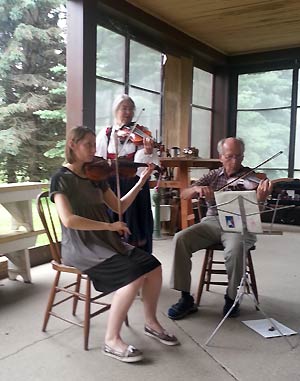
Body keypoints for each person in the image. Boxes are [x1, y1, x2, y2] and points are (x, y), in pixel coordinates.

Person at [50, 126, 178, 363]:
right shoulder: (61, 179)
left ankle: (151, 322)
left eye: (92, 144)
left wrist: (141, 182)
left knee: (152, 265)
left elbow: (118, 207)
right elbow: (69, 220)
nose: (93, 149)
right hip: (80, 246)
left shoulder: (95, 176)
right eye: (87, 144)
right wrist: (110, 227)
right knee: (133, 275)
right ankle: (111, 340)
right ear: (72, 145)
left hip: (105, 242)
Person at [168, 137, 272, 320]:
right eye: (230, 157)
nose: (235, 162)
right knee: (180, 238)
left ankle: (232, 298)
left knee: (236, 249)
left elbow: (258, 212)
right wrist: (197, 190)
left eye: (239, 157)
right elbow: (184, 194)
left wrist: (261, 198)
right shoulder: (213, 175)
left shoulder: (251, 177)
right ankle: (185, 298)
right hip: (213, 221)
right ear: (221, 157)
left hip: (240, 225)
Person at [96, 94, 159, 254]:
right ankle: (115, 258)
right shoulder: (106, 134)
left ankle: (140, 260)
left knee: (137, 225)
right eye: (124, 108)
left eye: (131, 109)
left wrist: (147, 152)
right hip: (111, 185)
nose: (128, 112)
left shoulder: (142, 134)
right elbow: (99, 159)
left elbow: (143, 167)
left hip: (135, 184)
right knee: (114, 221)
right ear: (115, 110)